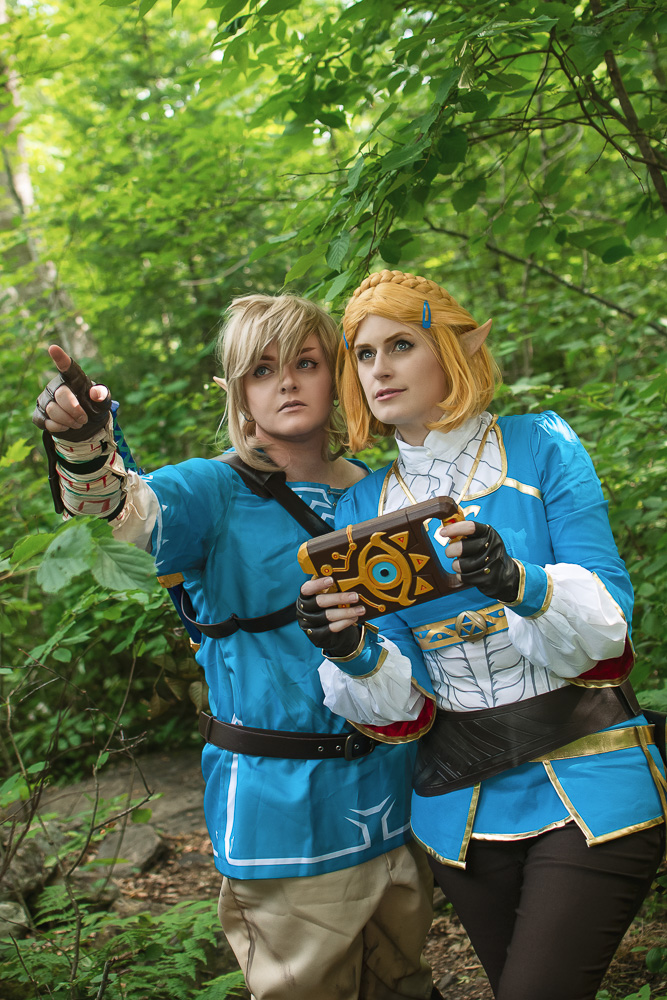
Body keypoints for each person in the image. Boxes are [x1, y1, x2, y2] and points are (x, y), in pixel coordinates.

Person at [31, 292, 442, 1000]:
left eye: (305, 363)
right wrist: (85, 444)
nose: (286, 383)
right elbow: (121, 512)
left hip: (395, 792)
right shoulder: (211, 491)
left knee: (404, 985)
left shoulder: (386, 490)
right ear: (238, 392)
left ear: (336, 373)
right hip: (280, 811)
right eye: (262, 370)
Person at [297, 269, 667, 1000]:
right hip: (457, 808)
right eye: (363, 354)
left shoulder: (540, 447)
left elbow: (610, 624)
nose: (379, 369)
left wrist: (517, 581)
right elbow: (403, 700)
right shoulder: (362, 506)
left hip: (589, 775)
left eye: (400, 345)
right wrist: (348, 649)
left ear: (454, 349)